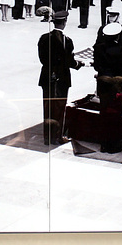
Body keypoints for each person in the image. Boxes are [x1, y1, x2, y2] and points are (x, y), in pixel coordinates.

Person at [37, 10, 85, 145]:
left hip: (46, 76)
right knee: (59, 108)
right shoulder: (67, 41)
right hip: (61, 77)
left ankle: (47, 137)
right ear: (64, 23)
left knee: (47, 107)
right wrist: (78, 64)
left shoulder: (43, 38)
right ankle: (57, 136)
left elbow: (42, 58)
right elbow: (69, 61)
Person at [93, 22, 122, 153]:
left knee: (104, 113)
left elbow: (96, 66)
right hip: (117, 86)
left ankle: (104, 144)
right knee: (116, 115)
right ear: (118, 37)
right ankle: (113, 144)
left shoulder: (98, 48)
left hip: (103, 84)